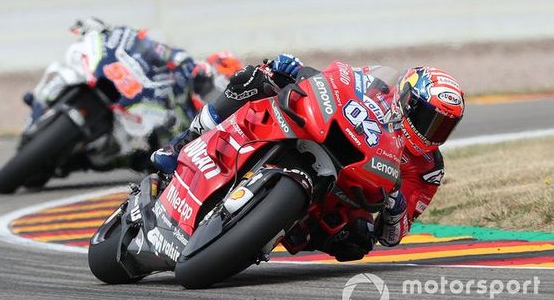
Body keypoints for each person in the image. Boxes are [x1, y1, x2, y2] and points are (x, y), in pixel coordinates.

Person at [151, 54, 465, 260]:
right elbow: (337, 81)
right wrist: (295, 70)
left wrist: (394, 208)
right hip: (321, 133)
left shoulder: (428, 168)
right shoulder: (379, 85)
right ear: (407, 98)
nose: (433, 132)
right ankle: (181, 144)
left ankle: (272, 226)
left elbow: (394, 236)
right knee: (255, 78)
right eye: (429, 119)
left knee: (357, 240)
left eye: (444, 127)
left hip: (348, 191)